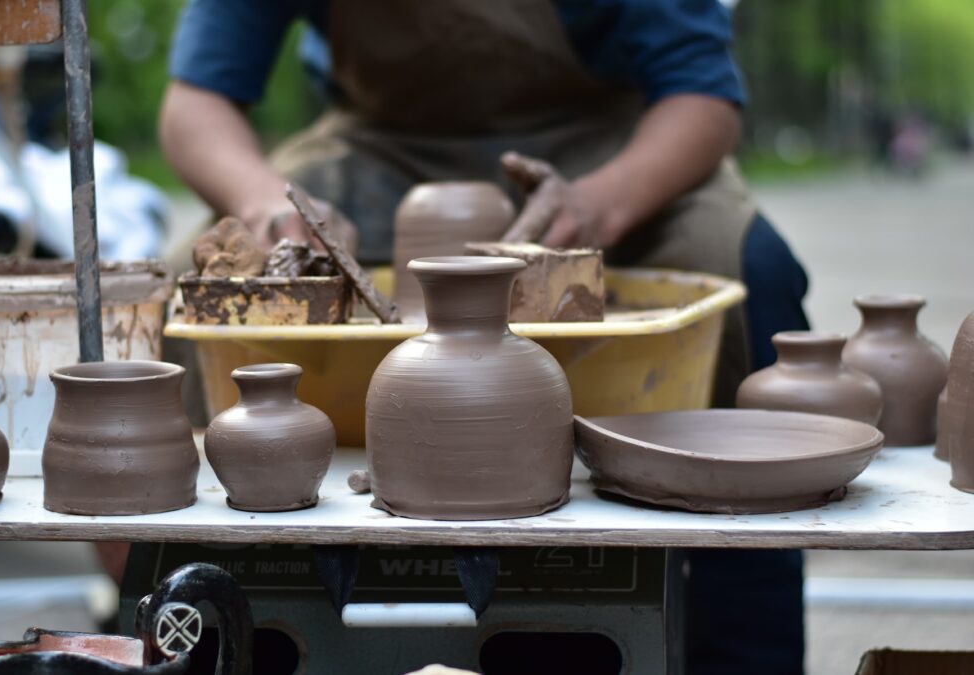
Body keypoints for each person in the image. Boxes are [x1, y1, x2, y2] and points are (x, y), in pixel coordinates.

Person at [159, 2, 809, 673]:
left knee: (750, 270)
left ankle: (737, 647)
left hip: (600, 144)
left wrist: (599, 204)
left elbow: (703, 96)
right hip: (374, 149)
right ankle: (205, 625)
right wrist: (269, 206)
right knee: (186, 288)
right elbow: (195, 102)